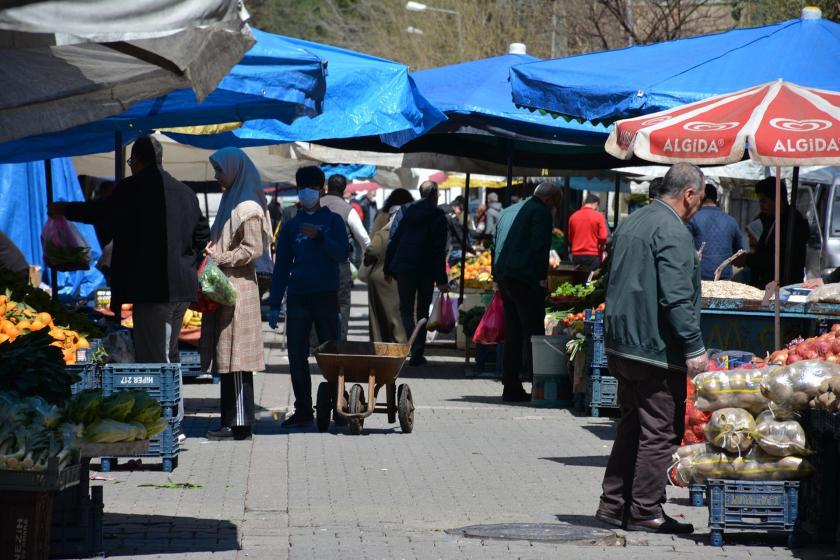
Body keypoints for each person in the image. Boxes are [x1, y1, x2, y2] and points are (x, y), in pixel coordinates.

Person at [596, 162, 708, 535]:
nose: (699, 207)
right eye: (701, 198)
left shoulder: (634, 220)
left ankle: (613, 506)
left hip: (623, 342)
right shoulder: (672, 231)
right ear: (689, 194)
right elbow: (676, 297)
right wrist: (693, 347)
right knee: (659, 431)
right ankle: (645, 510)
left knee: (632, 426)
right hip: (653, 347)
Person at [50, 135, 209, 363]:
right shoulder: (186, 192)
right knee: (170, 355)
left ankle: (164, 399)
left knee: (156, 360)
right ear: (161, 159)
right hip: (183, 288)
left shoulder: (132, 188)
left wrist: (65, 209)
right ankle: (173, 399)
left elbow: (101, 212)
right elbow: (203, 236)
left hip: (153, 289)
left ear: (135, 160)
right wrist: (183, 259)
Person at [268, 166, 349, 428]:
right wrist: (273, 304)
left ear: (321, 188)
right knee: (296, 354)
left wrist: (321, 237)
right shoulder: (291, 225)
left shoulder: (333, 221)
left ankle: (339, 405)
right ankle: (303, 408)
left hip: (326, 295)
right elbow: (281, 268)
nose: (306, 192)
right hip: (298, 297)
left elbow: (342, 254)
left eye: (311, 187)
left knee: (331, 353)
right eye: (302, 187)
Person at [201, 148, 273, 441]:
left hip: (240, 289)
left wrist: (221, 258)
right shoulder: (232, 201)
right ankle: (230, 421)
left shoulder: (248, 207)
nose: (218, 176)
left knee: (239, 360)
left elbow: (252, 249)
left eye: (220, 170)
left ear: (235, 169)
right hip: (228, 288)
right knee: (228, 358)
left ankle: (241, 424)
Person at [494, 182, 563, 402]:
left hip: (508, 277)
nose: (555, 209)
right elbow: (539, 247)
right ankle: (538, 384)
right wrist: (542, 279)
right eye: (556, 204)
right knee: (534, 332)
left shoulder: (524, 208)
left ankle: (511, 384)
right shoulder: (541, 212)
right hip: (524, 279)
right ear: (550, 200)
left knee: (513, 333)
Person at [384, 180, 448, 366]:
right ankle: (418, 346)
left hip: (404, 266)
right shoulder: (438, 215)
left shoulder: (405, 211)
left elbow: (393, 238)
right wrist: (442, 279)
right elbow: (438, 250)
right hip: (426, 269)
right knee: (422, 308)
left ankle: (412, 345)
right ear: (434, 194)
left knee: (405, 308)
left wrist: (388, 266)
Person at [319, 173, 371, 341]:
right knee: (341, 304)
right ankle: (340, 341)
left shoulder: (314, 205)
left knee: (317, 303)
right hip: (339, 265)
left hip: (315, 264)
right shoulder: (348, 209)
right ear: (344, 189)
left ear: (327, 187)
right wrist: (368, 257)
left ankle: (317, 343)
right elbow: (364, 238)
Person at [740, 177, 809, 288]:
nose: (761, 205)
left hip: (783, 287)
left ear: (777, 199)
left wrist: (748, 260)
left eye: (764, 201)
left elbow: (778, 258)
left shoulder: (793, 223)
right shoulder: (771, 219)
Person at [364, 189, 413, 343]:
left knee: (378, 315)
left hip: (380, 272)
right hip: (404, 273)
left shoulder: (382, 217)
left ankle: (380, 345)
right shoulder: (411, 220)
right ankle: (403, 344)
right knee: (400, 312)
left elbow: (372, 245)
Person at [686, 184, 744, 280]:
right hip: (724, 277)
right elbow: (739, 253)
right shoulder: (731, 221)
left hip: (699, 277)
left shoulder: (692, 219)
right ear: (717, 200)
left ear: (699, 199)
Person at [568, 193, 608, 271]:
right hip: (592, 254)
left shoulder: (573, 216)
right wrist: (602, 245)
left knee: (578, 280)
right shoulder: (599, 216)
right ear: (596, 204)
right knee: (590, 280)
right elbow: (603, 237)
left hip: (576, 255)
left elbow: (570, 238)